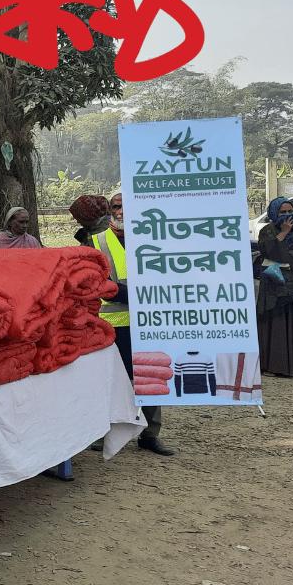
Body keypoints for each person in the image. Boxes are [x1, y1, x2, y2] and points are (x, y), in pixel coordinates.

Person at [93, 191, 172, 454]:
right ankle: (102, 433)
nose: (122, 211)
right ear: (110, 211)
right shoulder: (96, 242)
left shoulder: (154, 238)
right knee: (110, 379)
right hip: (111, 324)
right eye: (117, 206)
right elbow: (93, 281)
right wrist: (124, 292)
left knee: (150, 376)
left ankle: (150, 434)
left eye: (128, 206)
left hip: (149, 322)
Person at [256, 197, 293, 377]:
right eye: (283, 212)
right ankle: (274, 366)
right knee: (277, 325)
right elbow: (269, 251)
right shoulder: (267, 231)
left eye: (290, 212)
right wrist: (283, 233)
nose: (288, 216)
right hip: (274, 286)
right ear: (274, 213)